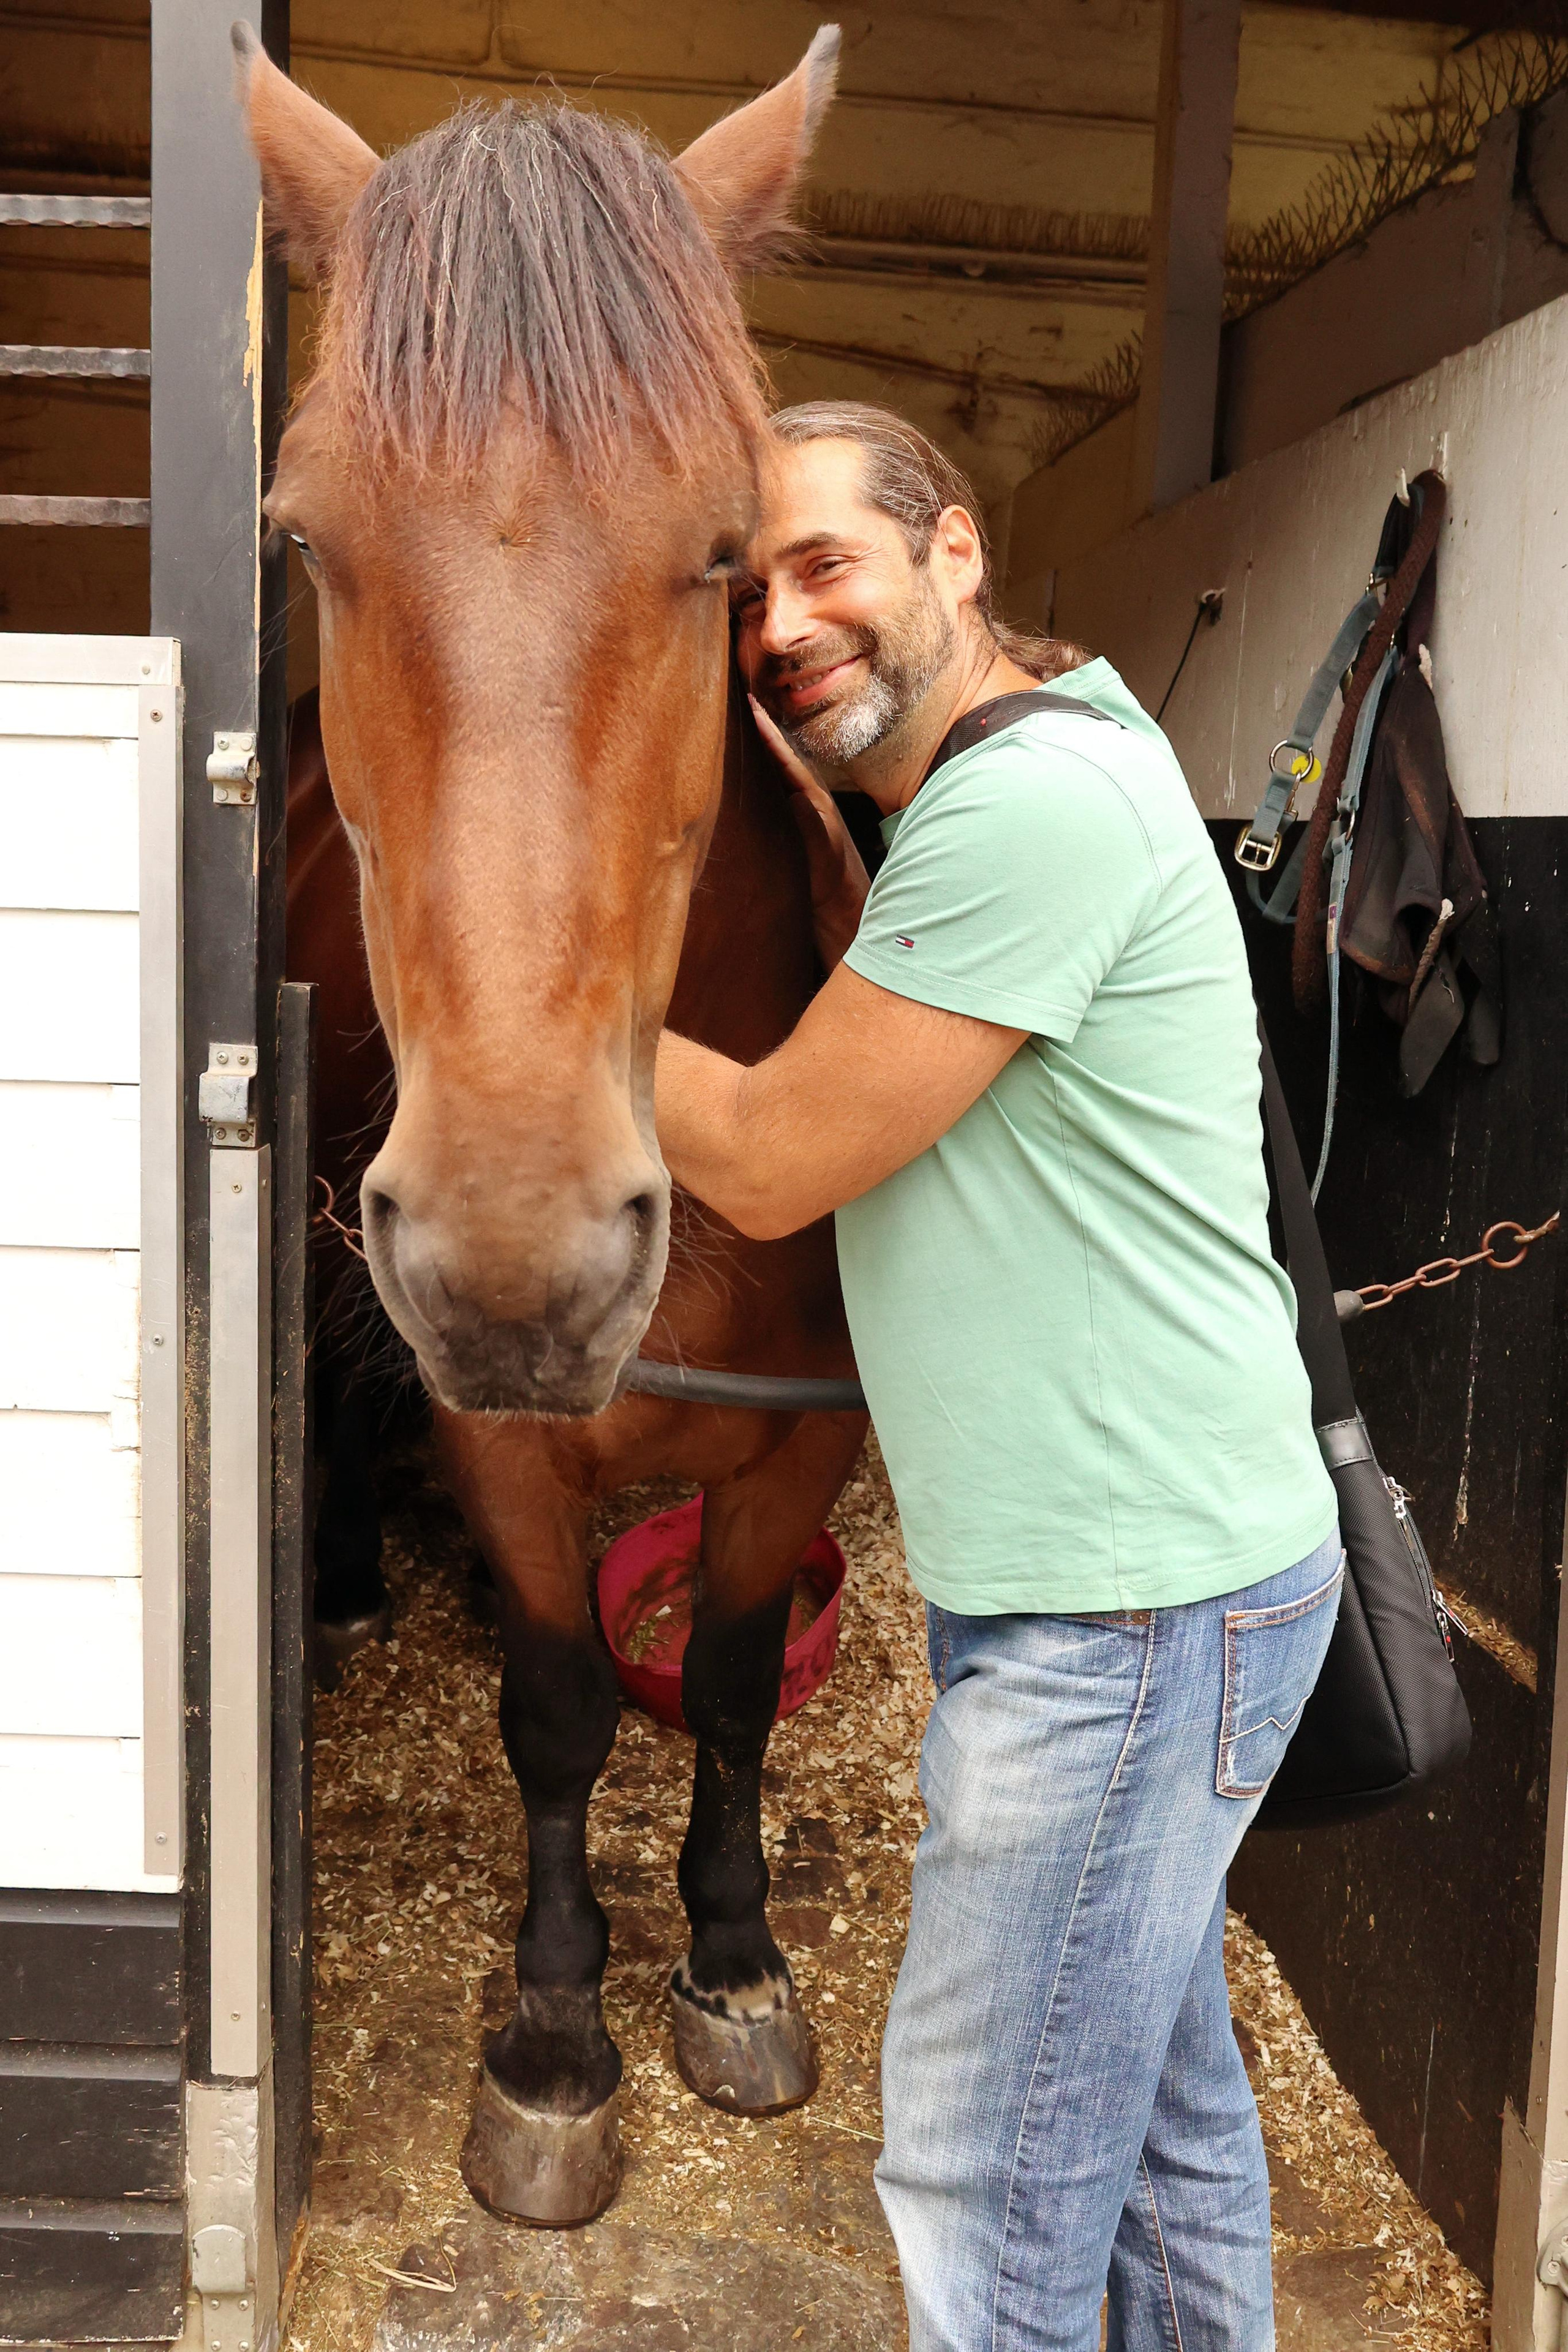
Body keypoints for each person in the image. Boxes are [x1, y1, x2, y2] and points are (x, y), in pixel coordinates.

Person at [654, 400, 1341, 2352]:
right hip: (1146, 1584)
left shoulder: (1023, 810)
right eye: (750, 593)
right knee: (1159, 2149)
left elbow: (772, 1154)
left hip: (1120, 1620)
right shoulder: (1027, 771)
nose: (783, 625)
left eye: (826, 565)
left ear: (955, 550)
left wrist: (537, 1007)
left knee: (988, 2194)